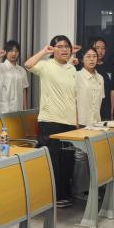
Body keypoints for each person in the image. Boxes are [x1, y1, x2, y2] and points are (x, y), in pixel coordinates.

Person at [24, 35, 78, 208]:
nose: (64, 49)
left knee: (67, 160)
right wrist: (43, 51)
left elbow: (74, 97)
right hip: (50, 120)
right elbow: (28, 64)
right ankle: (50, 197)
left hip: (69, 122)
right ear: (53, 49)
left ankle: (64, 195)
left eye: (67, 46)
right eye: (60, 46)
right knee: (52, 161)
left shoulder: (71, 69)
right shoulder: (46, 66)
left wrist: (76, 122)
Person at [73, 46, 105, 197]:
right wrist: (75, 122)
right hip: (81, 121)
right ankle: (80, 190)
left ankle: (92, 187)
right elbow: (72, 100)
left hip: (96, 123)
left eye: (94, 56)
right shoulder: (77, 76)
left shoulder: (100, 78)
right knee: (81, 156)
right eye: (88, 56)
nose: (92, 59)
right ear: (81, 59)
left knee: (93, 156)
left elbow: (99, 101)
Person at [0, 39, 30, 112]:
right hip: (3, 108)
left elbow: (24, 90)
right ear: (5, 52)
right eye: (11, 51)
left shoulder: (22, 70)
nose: (14, 54)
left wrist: (25, 109)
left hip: (18, 108)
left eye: (16, 51)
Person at [91, 36, 114, 120]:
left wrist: (111, 113)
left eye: (103, 48)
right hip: (90, 111)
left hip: (105, 110)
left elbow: (112, 91)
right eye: (97, 48)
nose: (100, 51)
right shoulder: (87, 68)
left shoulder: (110, 67)